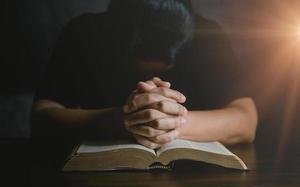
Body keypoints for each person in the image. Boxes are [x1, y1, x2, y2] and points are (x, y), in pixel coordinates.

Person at [31, 0, 258, 149]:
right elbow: (41, 118)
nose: (152, 81)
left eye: (162, 69)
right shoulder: (83, 32)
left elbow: (247, 120)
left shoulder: (208, 35)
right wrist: (120, 120)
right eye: (141, 70)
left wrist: (169, 123)